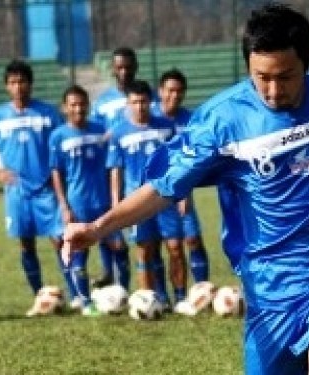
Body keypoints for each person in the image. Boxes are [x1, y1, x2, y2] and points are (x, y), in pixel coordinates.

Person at [64, 3, 309, 374]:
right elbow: (163, 188)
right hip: (269, 284)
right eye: (262, 77)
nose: (274, 90)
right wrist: (99, 227)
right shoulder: (222, 120)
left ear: (307, 62)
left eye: (286, 76)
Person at [0, 59, 74, 316]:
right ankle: (39, 295)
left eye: (23, 81)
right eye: (13, 82)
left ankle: (76, 293)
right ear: (7, 86)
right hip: (17, 191)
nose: (19, 87)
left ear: (30, 84)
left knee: (60, 240)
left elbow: (64, 141)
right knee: (26, 244)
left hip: (45, 187)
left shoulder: (48, 113)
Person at [49, 85, 129, 316]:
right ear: (65, 108)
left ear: (88, 106)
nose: (78, 109)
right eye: (73, 105)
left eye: (82, 104)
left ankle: (121, 295)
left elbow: (113, 165)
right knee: (78, 253)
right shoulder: (58, 136)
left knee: (119, 249)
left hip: (104, 203)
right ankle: (85, 303)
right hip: (78, 204)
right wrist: (64, 206)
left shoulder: (101, 131)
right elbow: (57, 173)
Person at [105, 79, 185, 307]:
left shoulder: (165, 127)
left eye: (144, 102)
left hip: (166, 198)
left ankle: (180, 298)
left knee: (175, 247)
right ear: (128, 104)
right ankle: (148, 300)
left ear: (151, 102)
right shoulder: (119, 132)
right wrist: (116, 205)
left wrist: (184, 195)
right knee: (145, 250)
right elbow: (115, 172)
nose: (140, 107)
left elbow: (179, 164)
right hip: (137, 201)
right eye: (135, 102)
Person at [152, 69, 212, 301]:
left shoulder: (191, 121)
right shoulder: (152, 119)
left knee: (193, 239)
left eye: (179, 91)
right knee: (166, 246)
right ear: (160, 92)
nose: (174, 96)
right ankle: (171, 298)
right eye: (169, 90)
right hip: (155, 194)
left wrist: (185, 190)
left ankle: (202, 293)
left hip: (183, 192)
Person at [89, 46, 142, 288]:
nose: (124, 72)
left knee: (141, 230)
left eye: (128, 67)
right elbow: (94, 135)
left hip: (136, 170)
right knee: (108, 221)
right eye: (119, 67)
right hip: (108, 172)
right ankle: (109, 271)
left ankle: (144, 283)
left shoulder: (144, 97)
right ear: (113, 69)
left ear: (135, 68)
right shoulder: (102, 103)